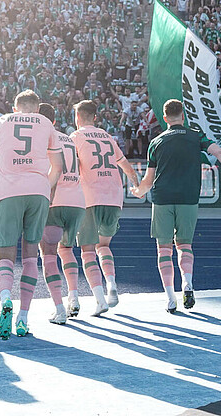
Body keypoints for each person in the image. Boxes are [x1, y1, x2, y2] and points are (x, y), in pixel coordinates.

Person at [133, 99, 221, 313]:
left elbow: (148, 179)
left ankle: (170, 297)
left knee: (164, 248)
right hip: (188, 197)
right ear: (183, 116)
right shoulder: (195, 135)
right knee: (185, 245)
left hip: (162, 198)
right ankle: (188, 284)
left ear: (165, 119)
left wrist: (138, 192)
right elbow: (219, 153)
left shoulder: (156, 142)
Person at [0, 90, 64, 340]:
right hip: (38, 191)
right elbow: (59, 166)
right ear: (36, 108)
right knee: (32, 254)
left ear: (15, 107)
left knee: (6, 254)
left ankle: (4, 299)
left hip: (8, 191)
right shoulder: (46, 123)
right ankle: (23, 316)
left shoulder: (1, 122)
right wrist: (46, 186)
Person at [70, 99, 139, 315]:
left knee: (87, 250)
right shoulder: (107, 137)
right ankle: (112, 285)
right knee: (104, 246)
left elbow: (70, 167)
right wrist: (136, 184)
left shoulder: (76, 136)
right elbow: (126, 165)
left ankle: (99, 299)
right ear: (95, 117)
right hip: (114, 196)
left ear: (78, 117)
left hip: (90, 196)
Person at [37, 102, 87, 324]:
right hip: (77, 201)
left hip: (54, 201)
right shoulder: (69, 138)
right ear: (55, 120)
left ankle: (58, 307)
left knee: (47, 253)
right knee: (66, 250)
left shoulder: (40, 138)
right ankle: (73, 296)